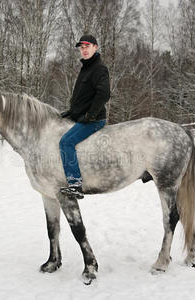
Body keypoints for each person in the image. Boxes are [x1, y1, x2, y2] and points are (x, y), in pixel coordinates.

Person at [59, 34, 110, 199]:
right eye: (81, 47)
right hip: (82, 116)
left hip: (94, 120)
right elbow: (84, 97)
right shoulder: (86, 68)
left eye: (87, 46)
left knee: (66, 142)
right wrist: (71, 112)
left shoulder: (99, 68)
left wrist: (91, 115)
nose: (84, 50)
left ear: (95, 47)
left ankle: (75, 184)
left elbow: (103, 94)